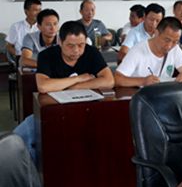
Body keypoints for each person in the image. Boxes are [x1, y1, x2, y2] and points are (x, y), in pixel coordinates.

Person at [13, 21, 115, 162]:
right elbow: (43, 86)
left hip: (88, 110)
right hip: (54, 111)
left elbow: (109, 81)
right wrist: (79, 78)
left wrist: (70, 87)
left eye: (81, 45)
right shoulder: (46, 56)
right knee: (19, 137)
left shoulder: (91, 52)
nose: (76, 51)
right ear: (60, 42)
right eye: (70, 46)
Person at [115, 17, 182, 87]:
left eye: (175, 41)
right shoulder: (138, 50)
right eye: (167, 40)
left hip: (164, 95)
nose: (169, 46)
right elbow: (117, 78)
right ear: (156, 33)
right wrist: (143, 81)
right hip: (141, 96)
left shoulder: (175, 49)